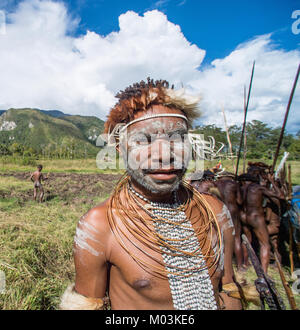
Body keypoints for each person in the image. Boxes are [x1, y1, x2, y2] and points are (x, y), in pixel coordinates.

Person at [60, 78, 242, 310]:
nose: (165, 154)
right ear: (120, 148)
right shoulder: (100, 225)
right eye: (143, 140)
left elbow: (229, 289)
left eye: (178, 138)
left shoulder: (214, 211)